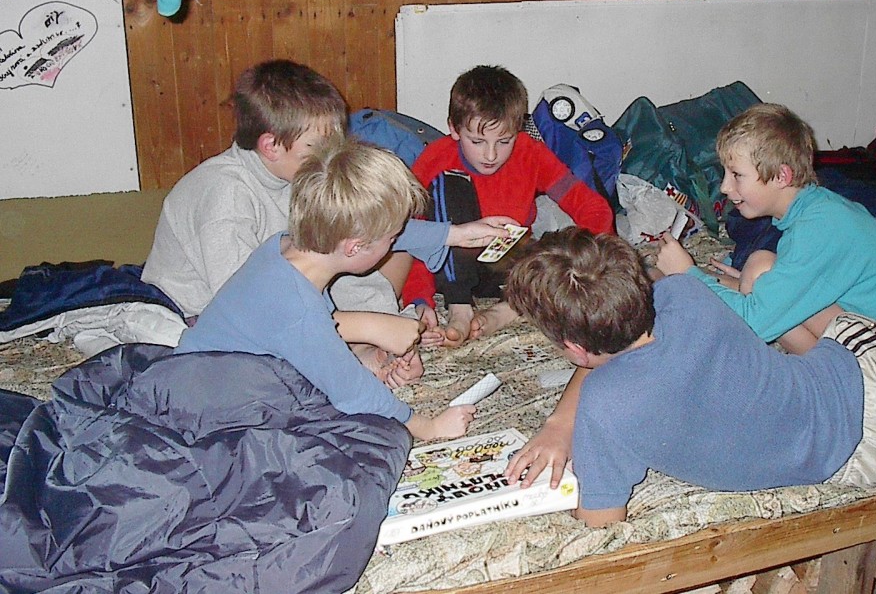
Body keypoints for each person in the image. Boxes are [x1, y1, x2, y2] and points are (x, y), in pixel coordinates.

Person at [502, 228, 876, 527]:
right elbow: (645, 302)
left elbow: (601, 524)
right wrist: (563, 421)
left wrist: (563, 425)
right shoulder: (686, 296)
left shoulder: (605, 408)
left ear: (574, 348)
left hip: (870, 461)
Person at [176, 138, 513, 441]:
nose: (396, 242)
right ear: (355, 247)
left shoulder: (287, 249)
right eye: (391, 238)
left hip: (204, 379)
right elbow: (354, 393)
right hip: (210, 411)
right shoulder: (298, 308)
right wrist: (431, 427)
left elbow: (306, 340)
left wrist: (456, 234)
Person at [140, 60, 425, 382]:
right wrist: (368, 326)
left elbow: (340, 257)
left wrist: (378, 338)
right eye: (319, 147)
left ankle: (356, 351)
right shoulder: (225, 194)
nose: (332, 156)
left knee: (380, 247)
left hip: (283, 302)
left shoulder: (298, 176)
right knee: (274, 381)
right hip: (202, 315)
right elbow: (250, 310)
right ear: (271, 146)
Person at [655, 103, 876, 353]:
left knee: (760, 273)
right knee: (760, 271)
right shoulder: (816, 209)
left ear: (782, 176)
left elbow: (754, 322)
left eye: (736, 175)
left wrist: (688, 274)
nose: (725, 187)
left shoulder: (820, 227)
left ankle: (816, 374)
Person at [402, 64, 614, 346]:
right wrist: (419, 300)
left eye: (504, 141)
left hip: (509, 265)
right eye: (477, 141)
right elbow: (414, 236)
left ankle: (509, 309)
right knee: (448, 183)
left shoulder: (531, 153)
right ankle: (460, 307)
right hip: (450, 264)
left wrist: (594, 258)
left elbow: (589, 206)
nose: (490, 155)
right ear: (454, 128)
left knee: (559, 258)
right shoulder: (435, 158)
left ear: (519, 129)